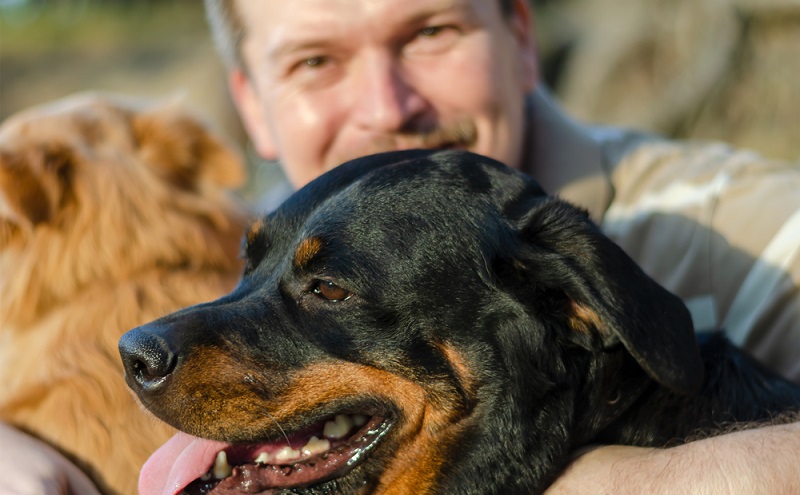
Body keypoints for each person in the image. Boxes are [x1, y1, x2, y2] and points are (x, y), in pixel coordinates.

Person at [8, 0, 800, 493]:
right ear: (249, 102)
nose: (386, 107)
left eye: (431, 31)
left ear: (521, 34)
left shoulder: (746, 226)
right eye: (315, 60)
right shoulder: (292, 218)